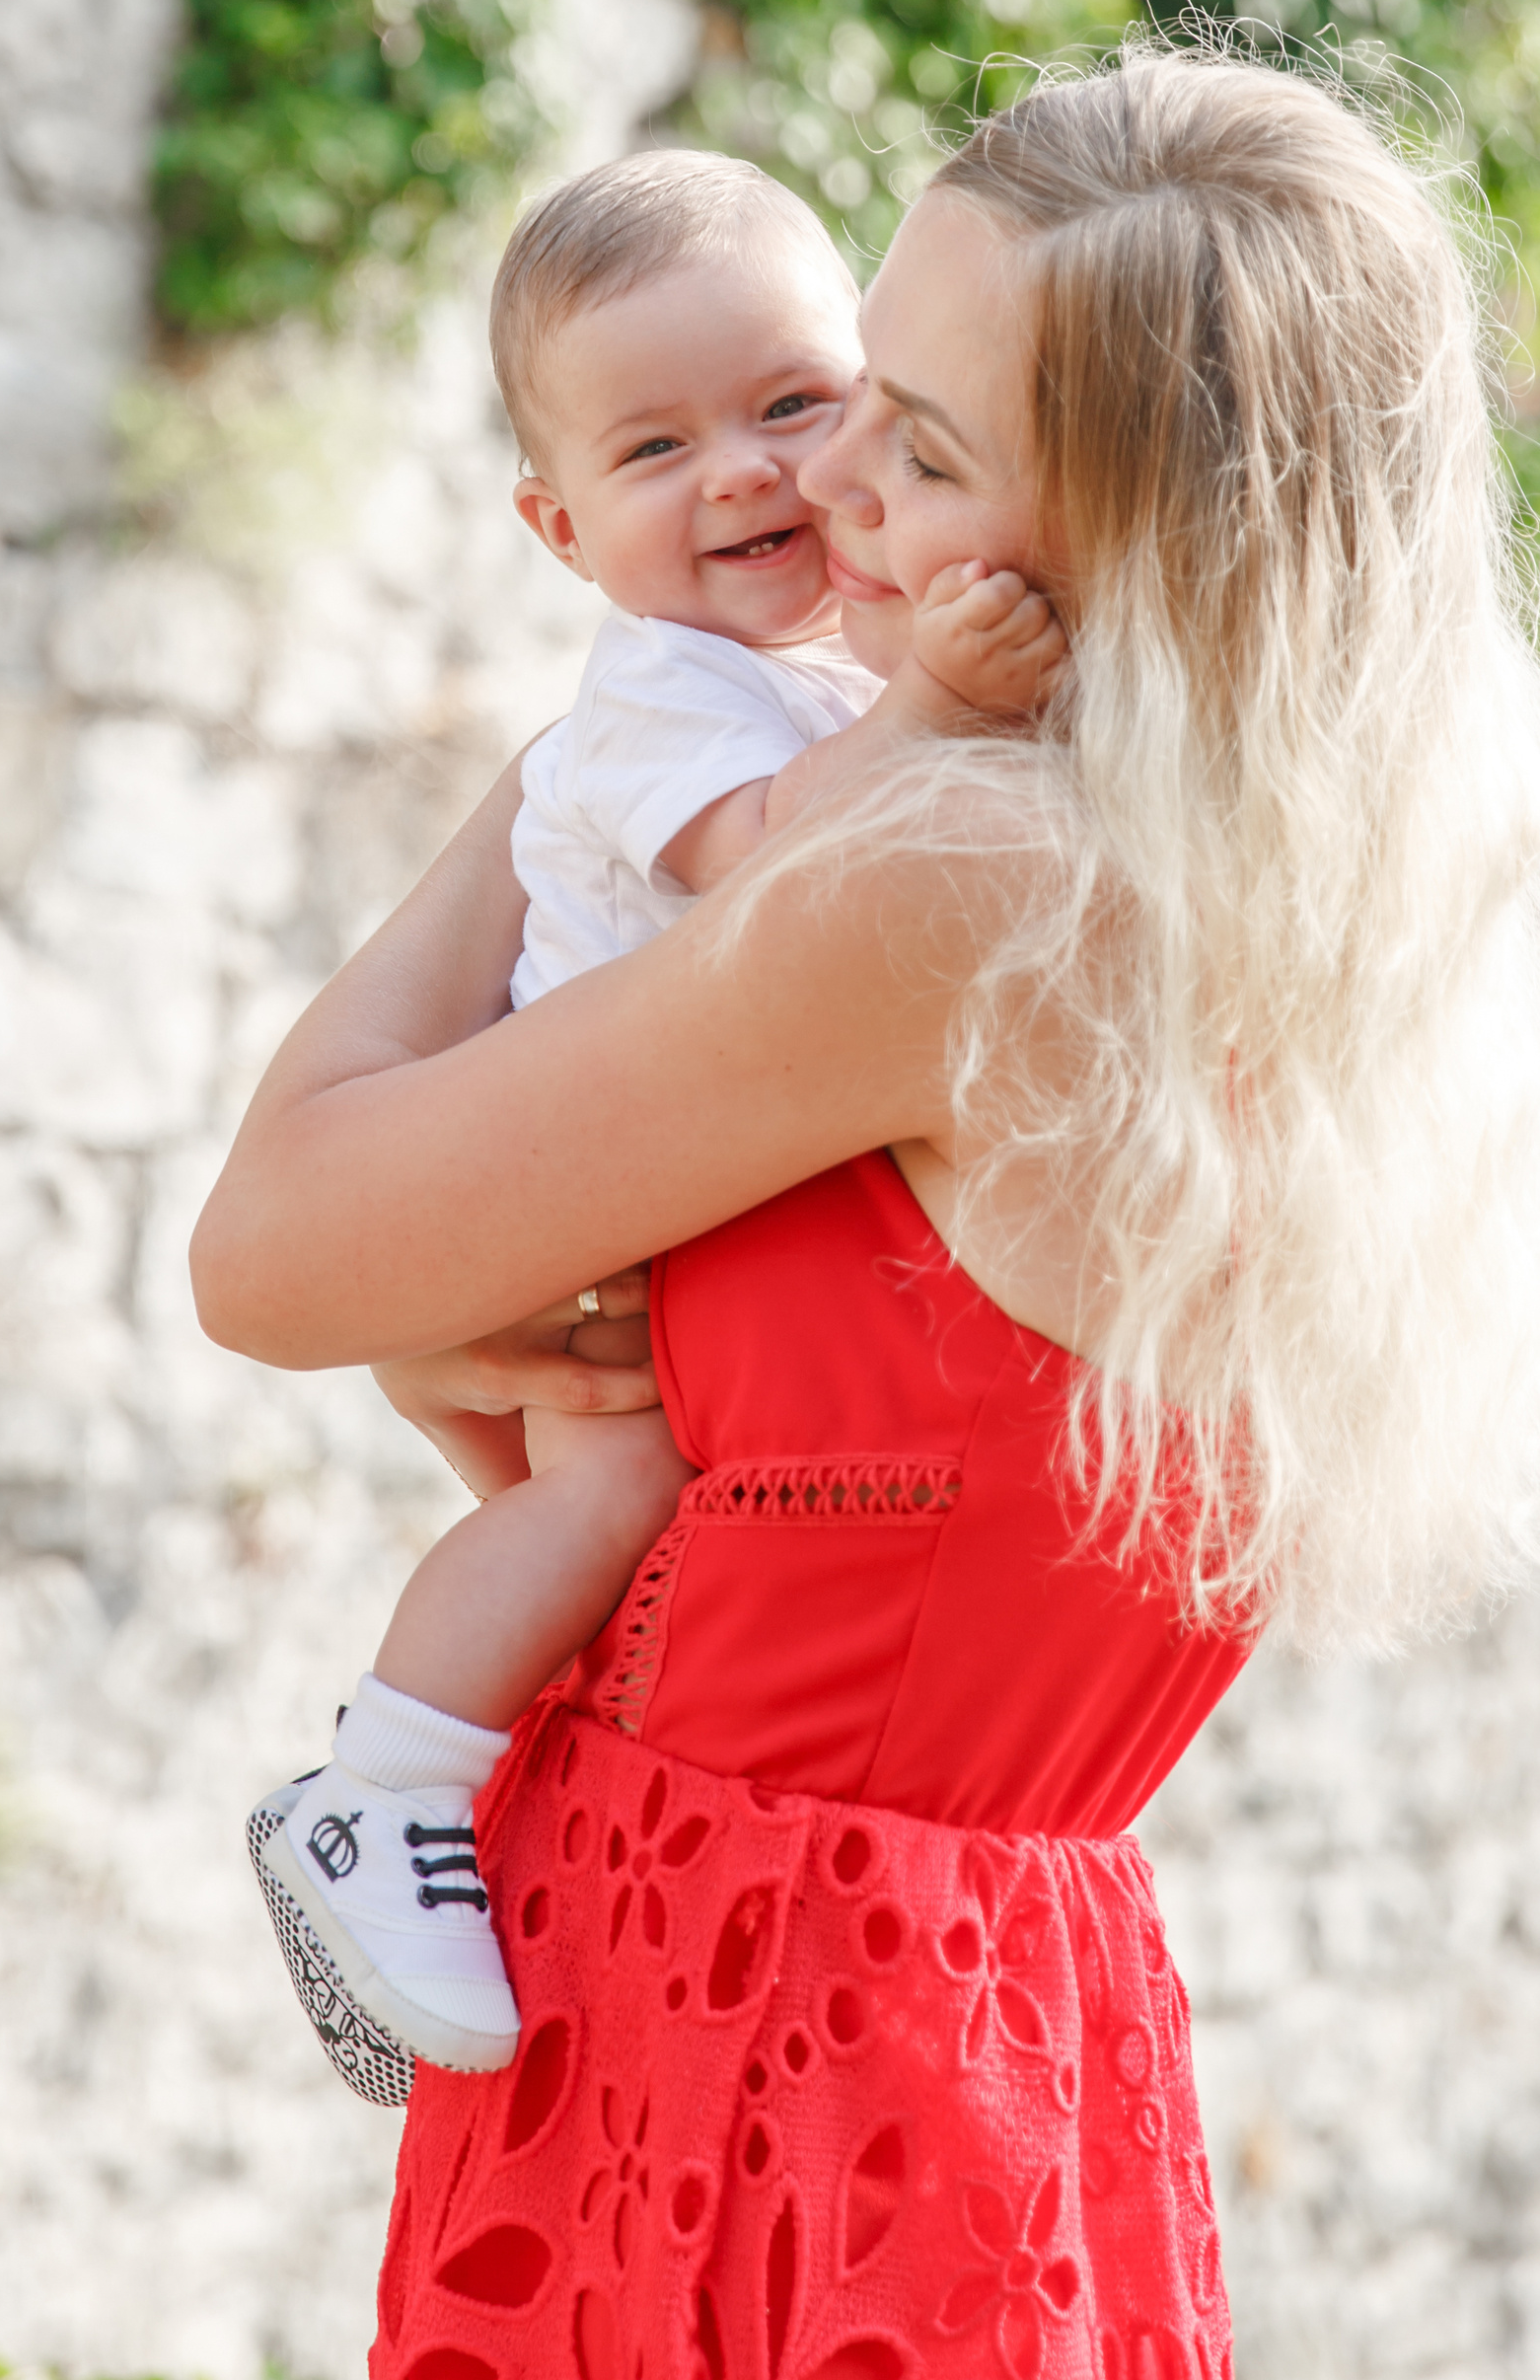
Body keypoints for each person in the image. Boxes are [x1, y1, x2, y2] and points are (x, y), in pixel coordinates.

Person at [192, 45, 1540, 2379]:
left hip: (750, 2031)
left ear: (1139, 546)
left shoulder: (945, 886)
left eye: (916, 448)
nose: (813, 482)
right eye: (864, 383)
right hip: (987, 2031)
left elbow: (268, 1251)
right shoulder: (1307, 901)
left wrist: (604, 736)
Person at [249, 150, 1066, 2092]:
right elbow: (778, 874)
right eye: (653, 451)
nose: (743, 475)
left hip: (666, 1195)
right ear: (555, 528)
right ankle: (384, 1785)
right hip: (580, 1198)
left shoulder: (803, 678)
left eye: (791, 405)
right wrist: (943, 707)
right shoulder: (660, 709)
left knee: (645, 1512)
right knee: (602, 1487)